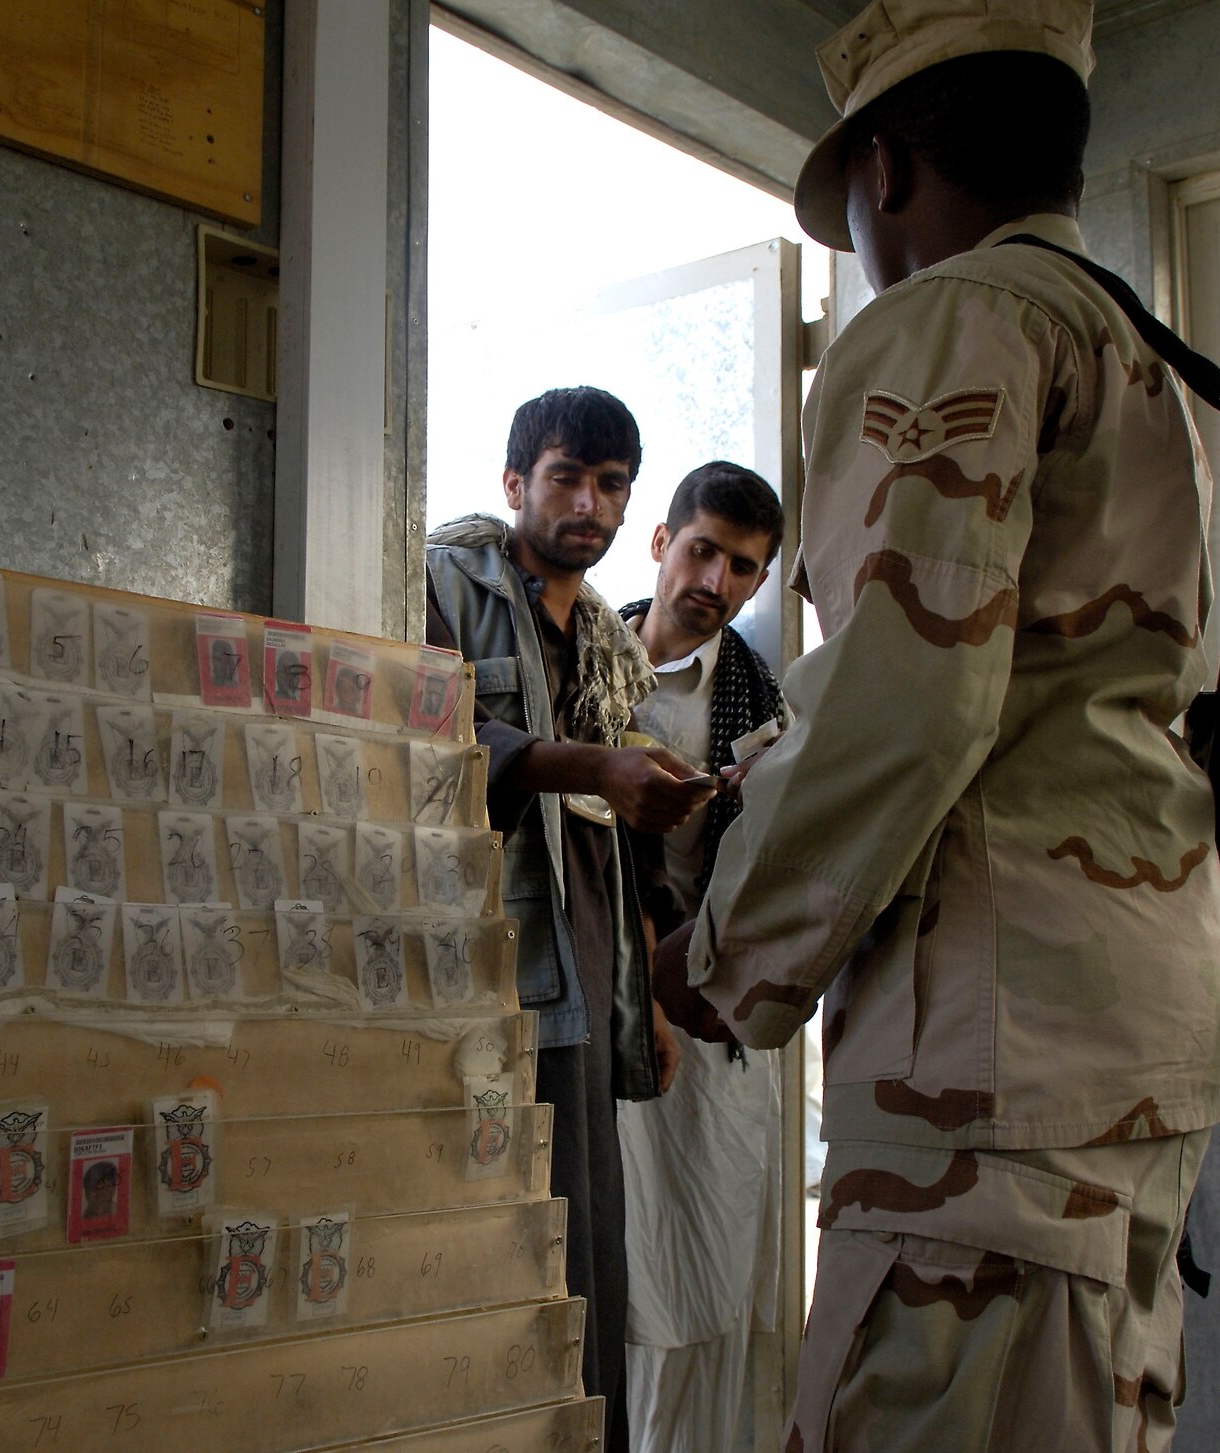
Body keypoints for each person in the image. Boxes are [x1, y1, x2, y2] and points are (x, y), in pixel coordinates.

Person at [656, 4, 1220, 1449]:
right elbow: (1050, 681)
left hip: (990, 1062)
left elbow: (906, 696)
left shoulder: (951, 320)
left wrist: (722, 953)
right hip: (1129, 1022)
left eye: (851, 194)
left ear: (890, 170)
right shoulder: (1152, 361)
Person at [426, 386, 714, 1448]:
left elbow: (623, 846)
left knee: (584, 1241)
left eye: (610, 485)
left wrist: (654, 1000)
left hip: (588, 974)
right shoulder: (443, 582)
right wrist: (590, 763)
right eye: (565, 477)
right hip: (482, 971)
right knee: (491, 1235)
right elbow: (433, 735)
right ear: (513, 484)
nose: (587, 503)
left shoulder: (606, 639)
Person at [616, 463, 789, 1453]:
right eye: (702, 550)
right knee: (617, 1263)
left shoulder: (765, 710)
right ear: (661, 542)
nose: (715, 580)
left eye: (742, 567)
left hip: (708, 1023)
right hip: (603, 1000)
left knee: (713, 1277)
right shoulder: (586, 663)